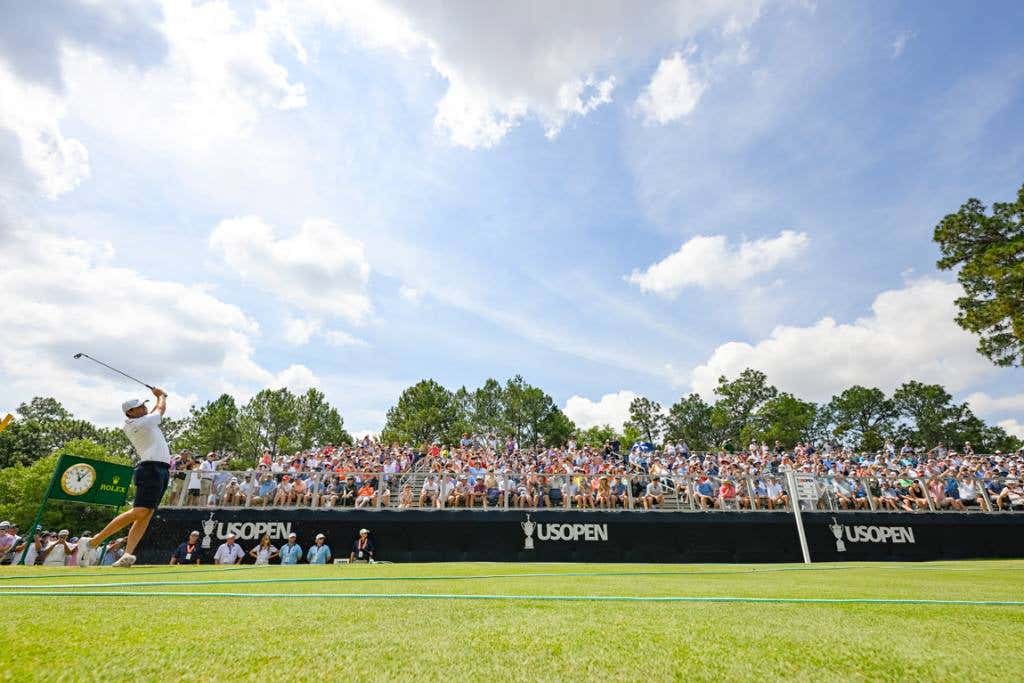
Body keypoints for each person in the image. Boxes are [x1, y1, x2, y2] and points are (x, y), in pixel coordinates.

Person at [77, 387, 172, 568]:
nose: (144, 408)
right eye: (140, 407)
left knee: (146, 514)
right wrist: (160, 396)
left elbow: (153, 414)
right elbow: (160, 410)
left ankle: (127, 555)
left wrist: (159, 397)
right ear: (130, 412)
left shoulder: (143, 421)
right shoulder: (136, 425)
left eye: (144, 405)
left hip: (161, 470)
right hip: (150, 469)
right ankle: (92, 542)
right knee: (139, 512)